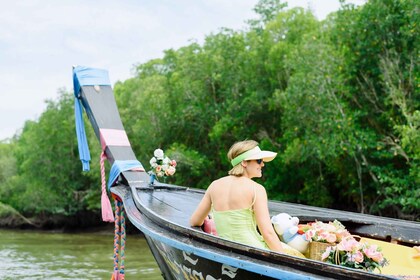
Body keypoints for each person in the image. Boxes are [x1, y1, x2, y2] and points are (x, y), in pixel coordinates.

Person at [190, 140, 304, 258]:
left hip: (225, 253)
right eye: (259, 161)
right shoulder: (257, 189)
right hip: (253, 253)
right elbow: (268, 233)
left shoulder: (214, 185)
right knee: (299, 255)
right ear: (244, 162)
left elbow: (194, 222)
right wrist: (284, 259)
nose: (263, 164)